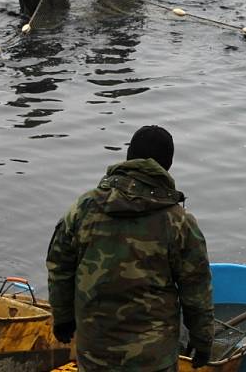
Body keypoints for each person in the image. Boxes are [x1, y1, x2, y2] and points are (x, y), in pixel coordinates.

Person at [46, 125, 214, 371]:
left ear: (128, 157)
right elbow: (196, 291)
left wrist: (62, 319)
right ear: (166, 166)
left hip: (95, 351)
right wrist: (202, 341)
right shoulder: (178, 222)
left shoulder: (83, 209)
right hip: (153, 358)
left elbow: (59, 268)